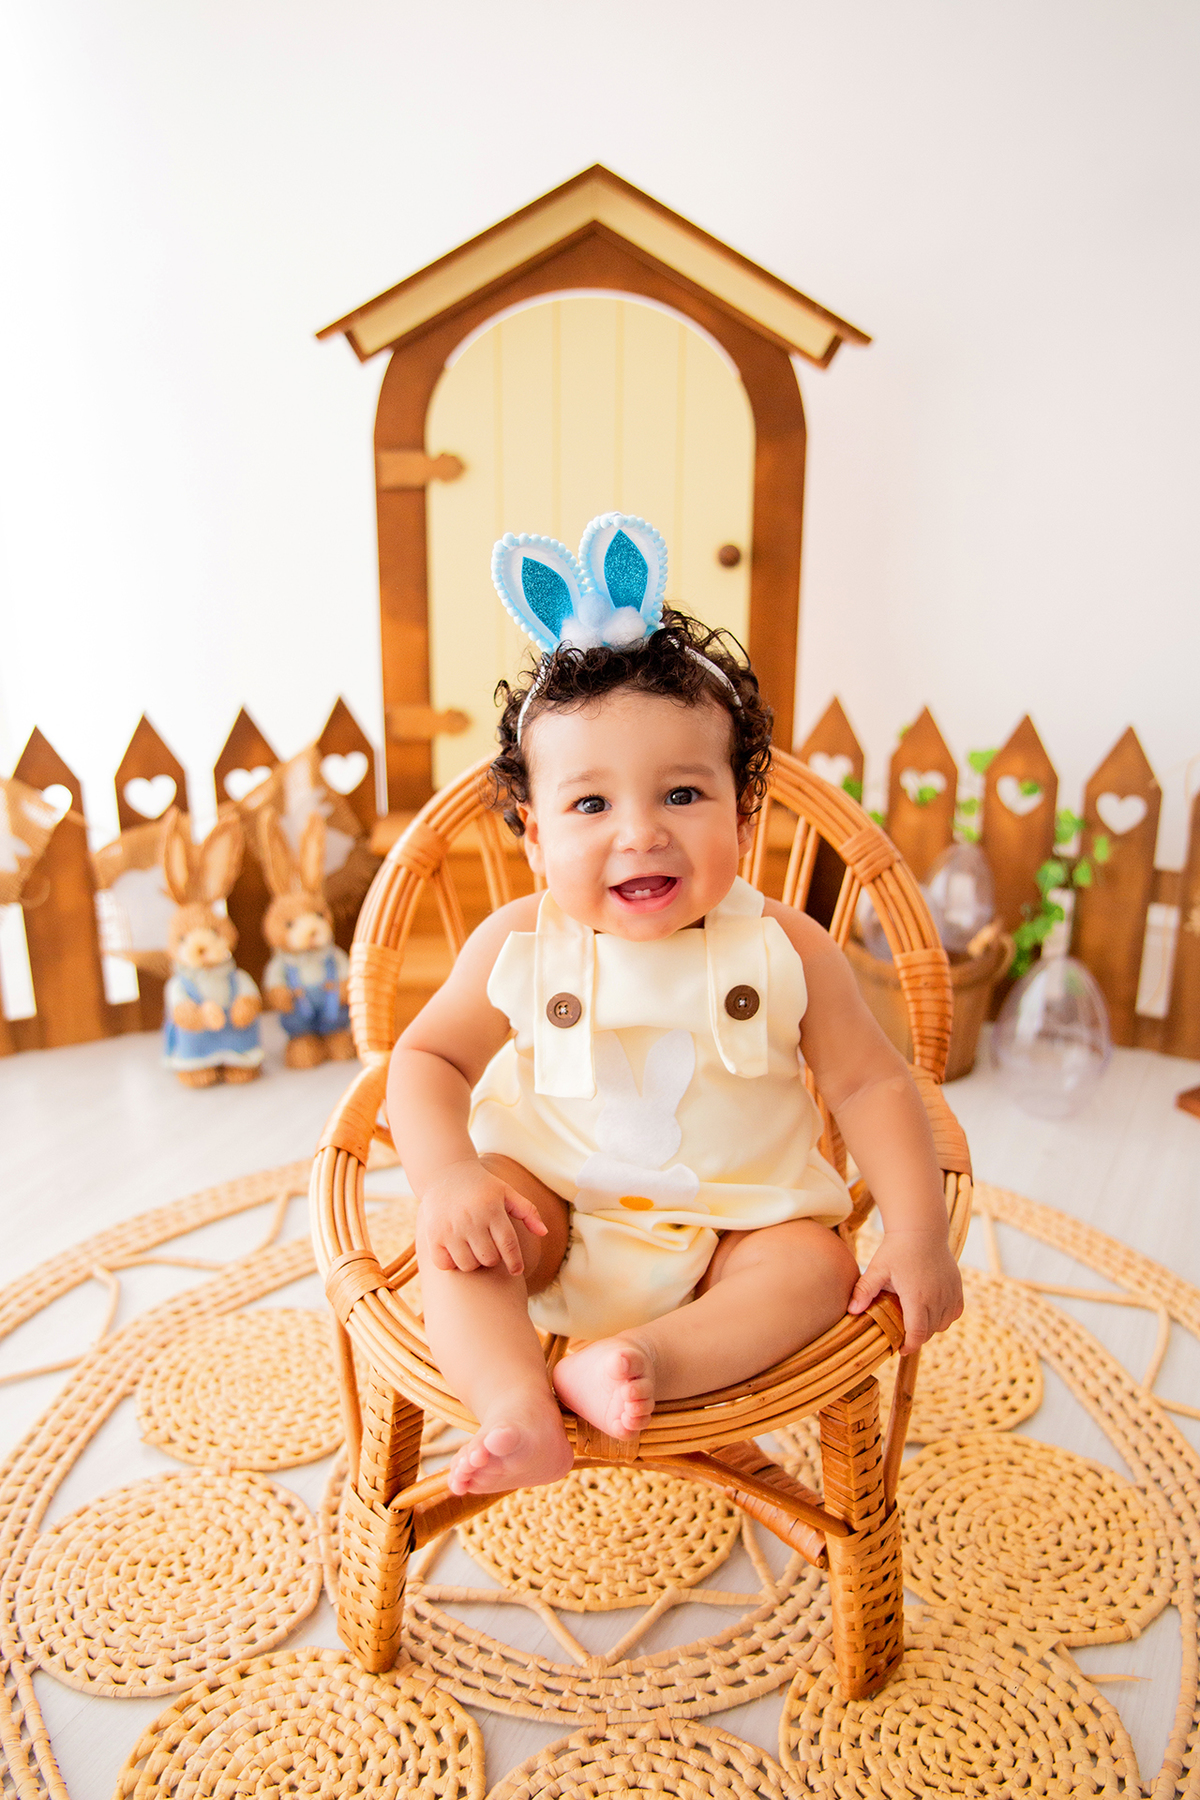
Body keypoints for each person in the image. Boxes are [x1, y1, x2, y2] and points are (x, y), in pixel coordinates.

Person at [386, 513, 963, 1500]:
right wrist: (446, 1177)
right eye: (591, 804)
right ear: (534, 836)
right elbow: (426, 1059)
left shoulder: (788, 947)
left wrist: (915, 1233)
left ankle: (643, 1359)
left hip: (742, 1227)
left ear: (744, 812)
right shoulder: (518, 942)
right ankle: (517, 1408)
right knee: (461, 1246)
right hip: (551, 1208)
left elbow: (870, 1083)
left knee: (818, 1271)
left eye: (683, 796)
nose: (640, 834)